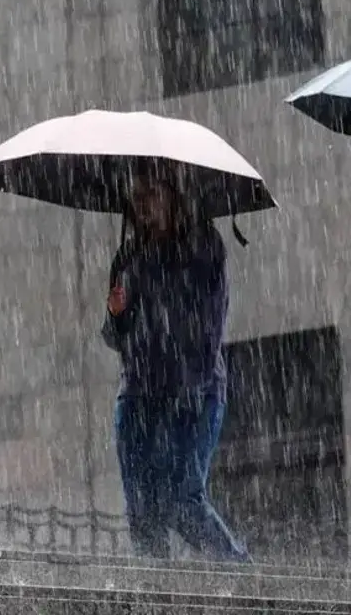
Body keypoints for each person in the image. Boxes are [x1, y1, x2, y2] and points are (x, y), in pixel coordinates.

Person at [101, 168, 249, 562]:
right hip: (137, 393)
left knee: (182, 497)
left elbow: (210, 325)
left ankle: (242, 574)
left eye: (150, 193)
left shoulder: (203, 246)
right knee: (143, 509)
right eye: (136, 196)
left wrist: (186, 386)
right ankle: (159, 594)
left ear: (172, 194)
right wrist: (116, 313)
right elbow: (114, 337)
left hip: (192, 389)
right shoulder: (128, 254)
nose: (143, 204)